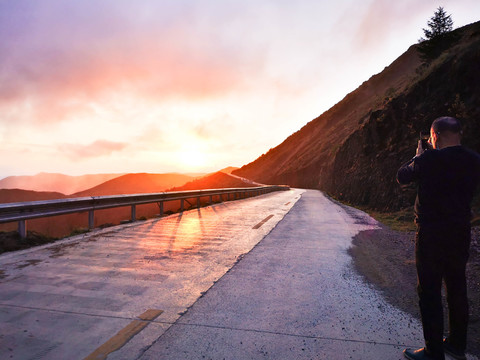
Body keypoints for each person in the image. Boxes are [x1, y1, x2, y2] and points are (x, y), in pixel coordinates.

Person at [397, 116, 480, 360]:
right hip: (460, 232)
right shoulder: (474, 160)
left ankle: (433, 352)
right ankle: (456, 344)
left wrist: (418, 156)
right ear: (459, 134)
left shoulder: (428, 158)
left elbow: (402, 176)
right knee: (457, 287)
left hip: (431, 233)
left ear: (435, 136)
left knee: (430, 291)